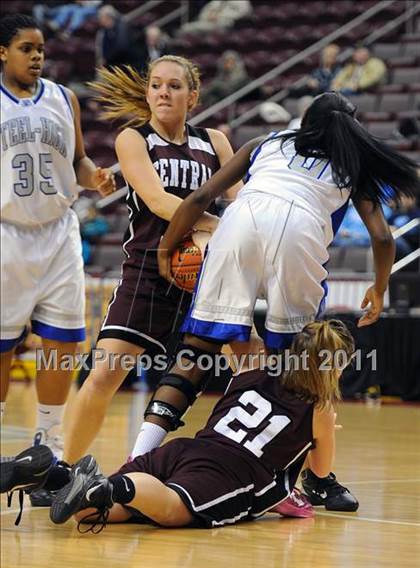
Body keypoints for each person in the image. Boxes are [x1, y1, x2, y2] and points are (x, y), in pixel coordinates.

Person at [147, 91, 419, 509]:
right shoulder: (352, 163)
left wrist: (166, 248)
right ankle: (307, 481)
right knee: (304, 370)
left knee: (196, 353)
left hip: (240, 224)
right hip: (299, 234)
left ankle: (139, 453)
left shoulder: (265, 143)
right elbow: (382, 238)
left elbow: (200, 199)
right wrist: (379, 288)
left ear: (305, 120)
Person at [61, 55, 241, 470]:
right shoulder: (133, 139)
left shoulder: (214, 142)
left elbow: (242, 200)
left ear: (192, 96)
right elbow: (159, 201)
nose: (163, 92)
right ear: (147, 93)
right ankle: (63, 468)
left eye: (174, 85)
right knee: (104, 376)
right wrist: (218, 226)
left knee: (252, 371)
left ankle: (279, 470)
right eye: (156, 84)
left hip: (206, 277)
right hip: (147, 270)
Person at [1, 320, 355, 530]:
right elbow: (320, 472)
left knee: (107, 514)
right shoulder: (320, 409)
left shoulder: (253, 366)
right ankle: (105, 487)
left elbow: (234, 327)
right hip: (227, 473)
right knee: (172, 509)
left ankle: (51, 474)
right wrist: (316, 441)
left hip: (187, 447)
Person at [0, 13, 115, 504]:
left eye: (41, 48)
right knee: (3, 347)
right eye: (26, 48)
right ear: (3, 52)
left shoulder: (63, 98)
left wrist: (96, 178)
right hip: (7, 233)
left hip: (59, 232)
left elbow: (79, 162)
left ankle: (47, 454)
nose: (37, 56)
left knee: (63, 341)